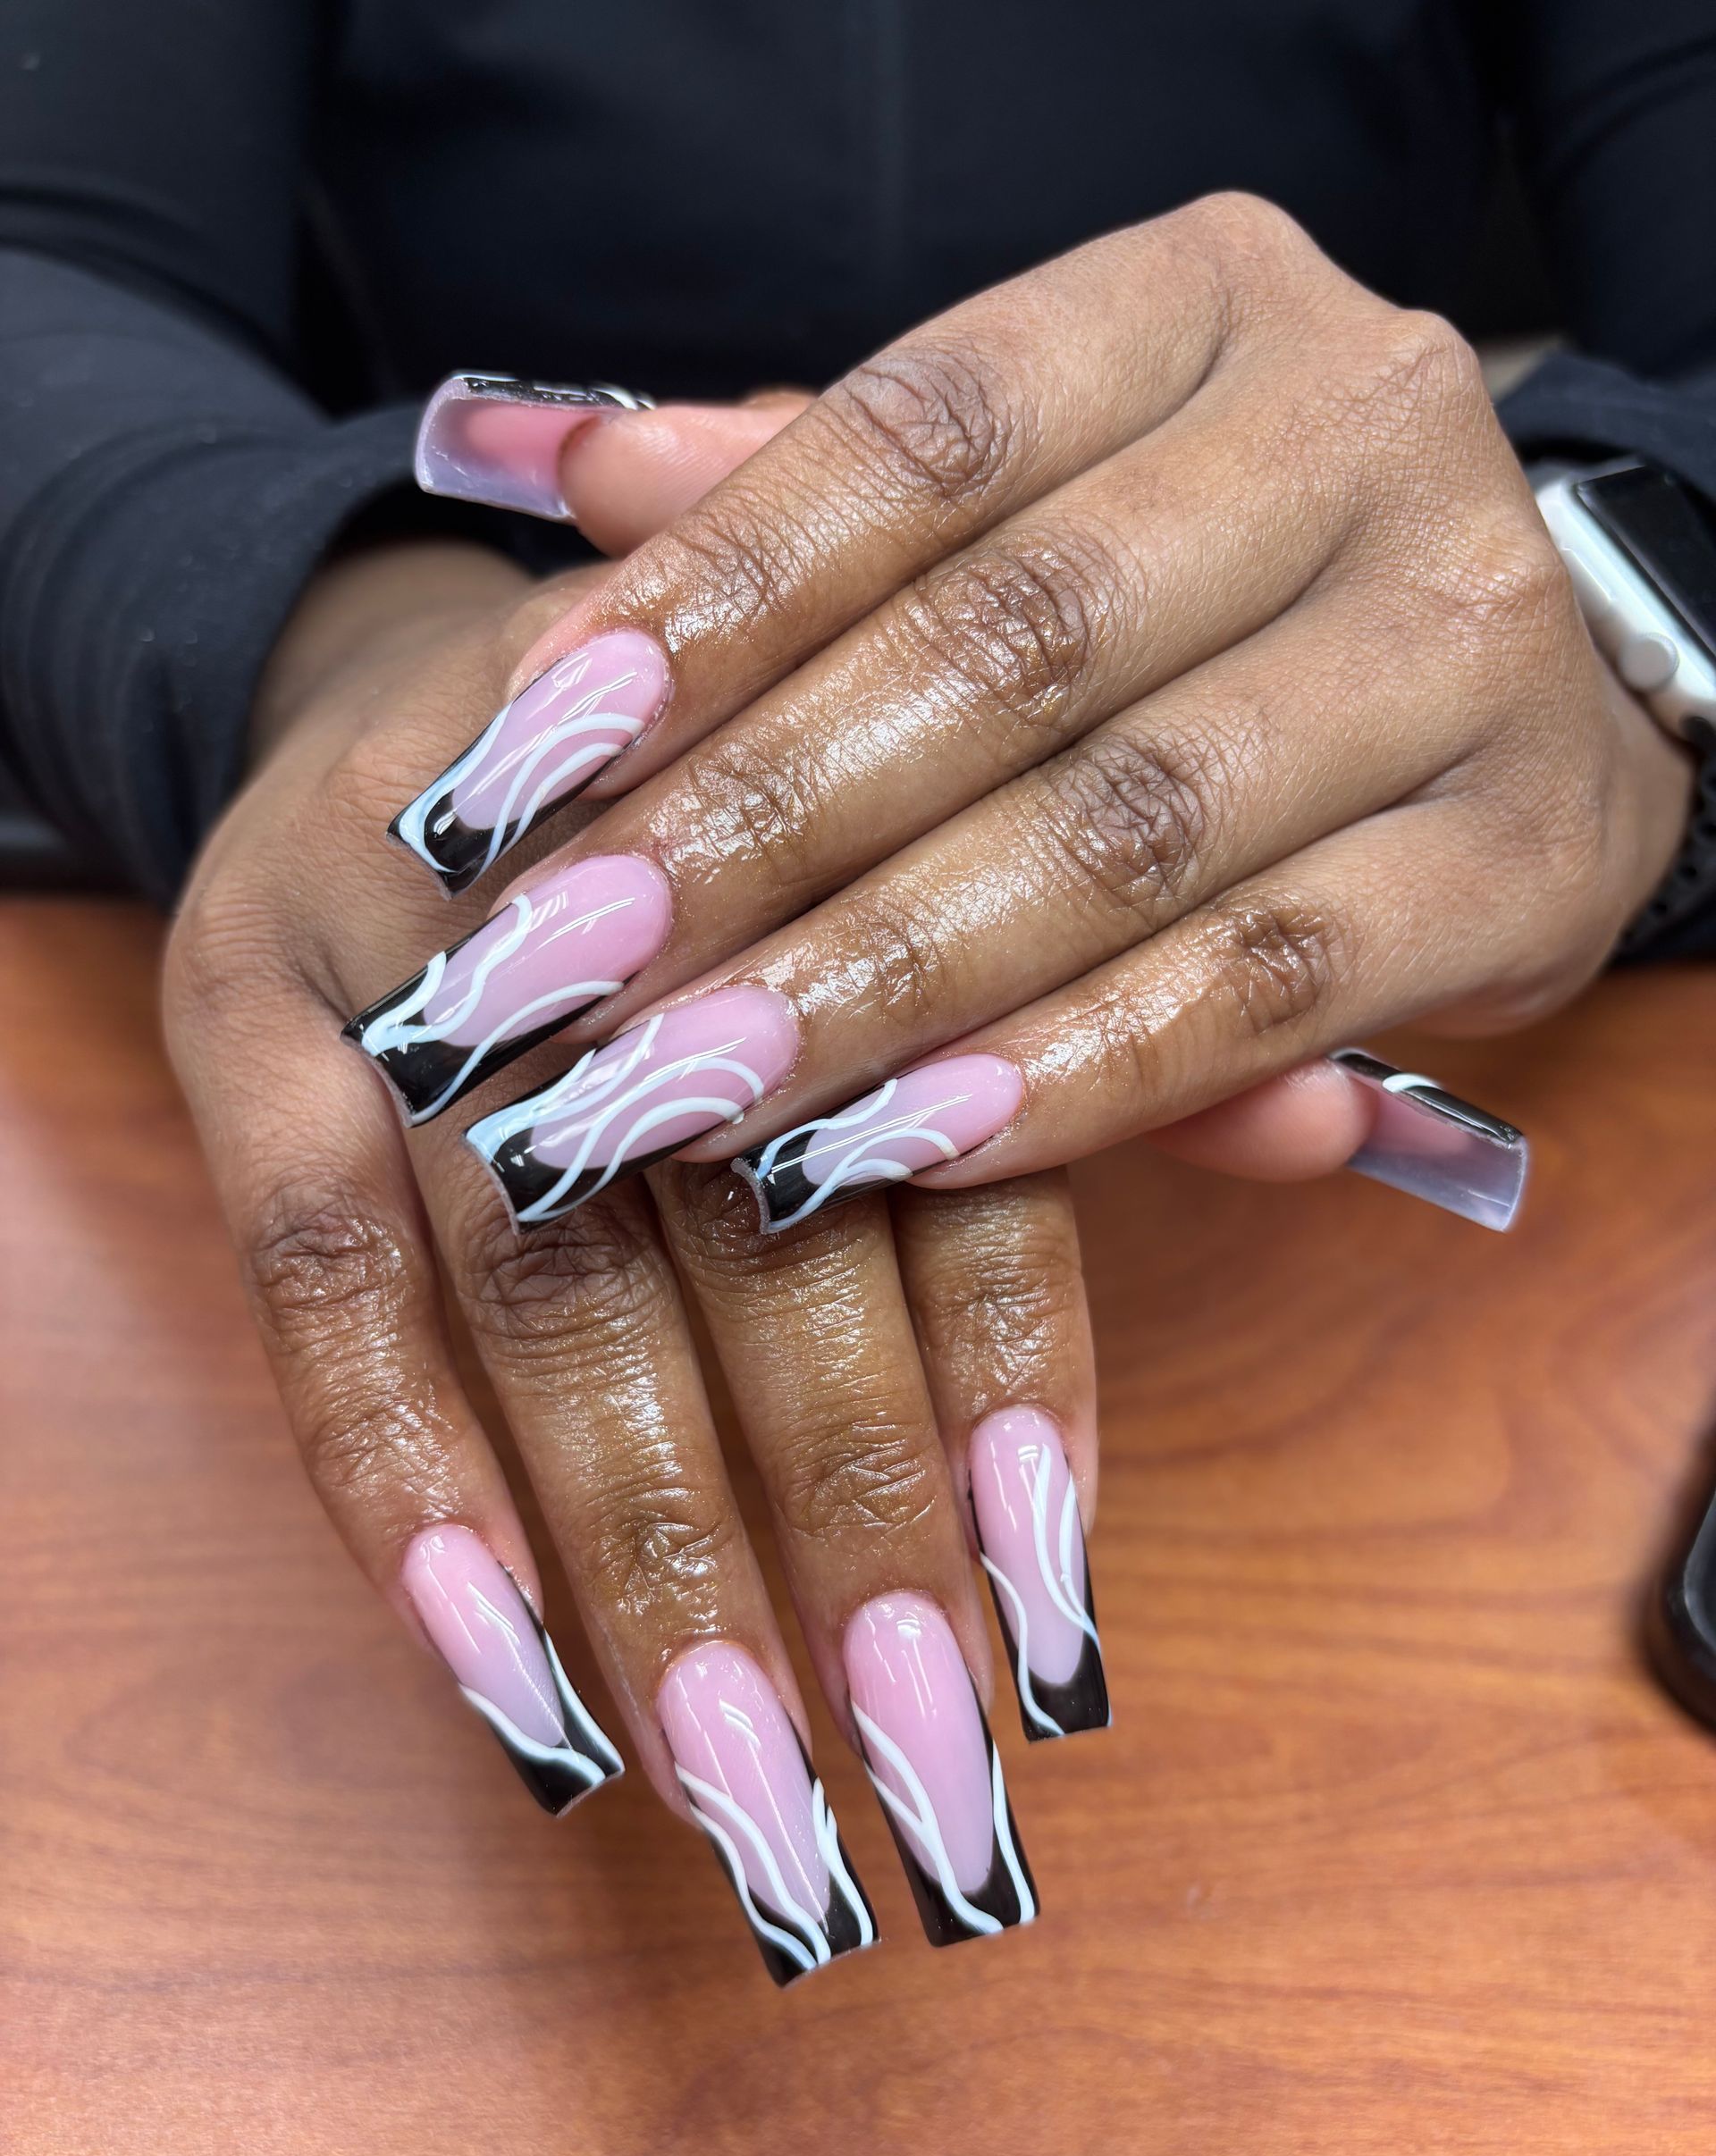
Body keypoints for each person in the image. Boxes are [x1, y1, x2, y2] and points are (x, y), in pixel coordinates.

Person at [3, 0, 1712, 1981]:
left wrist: (1620, 622)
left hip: (1342, 1169)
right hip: (398, 923)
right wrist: (342, 637)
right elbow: (51, 261)